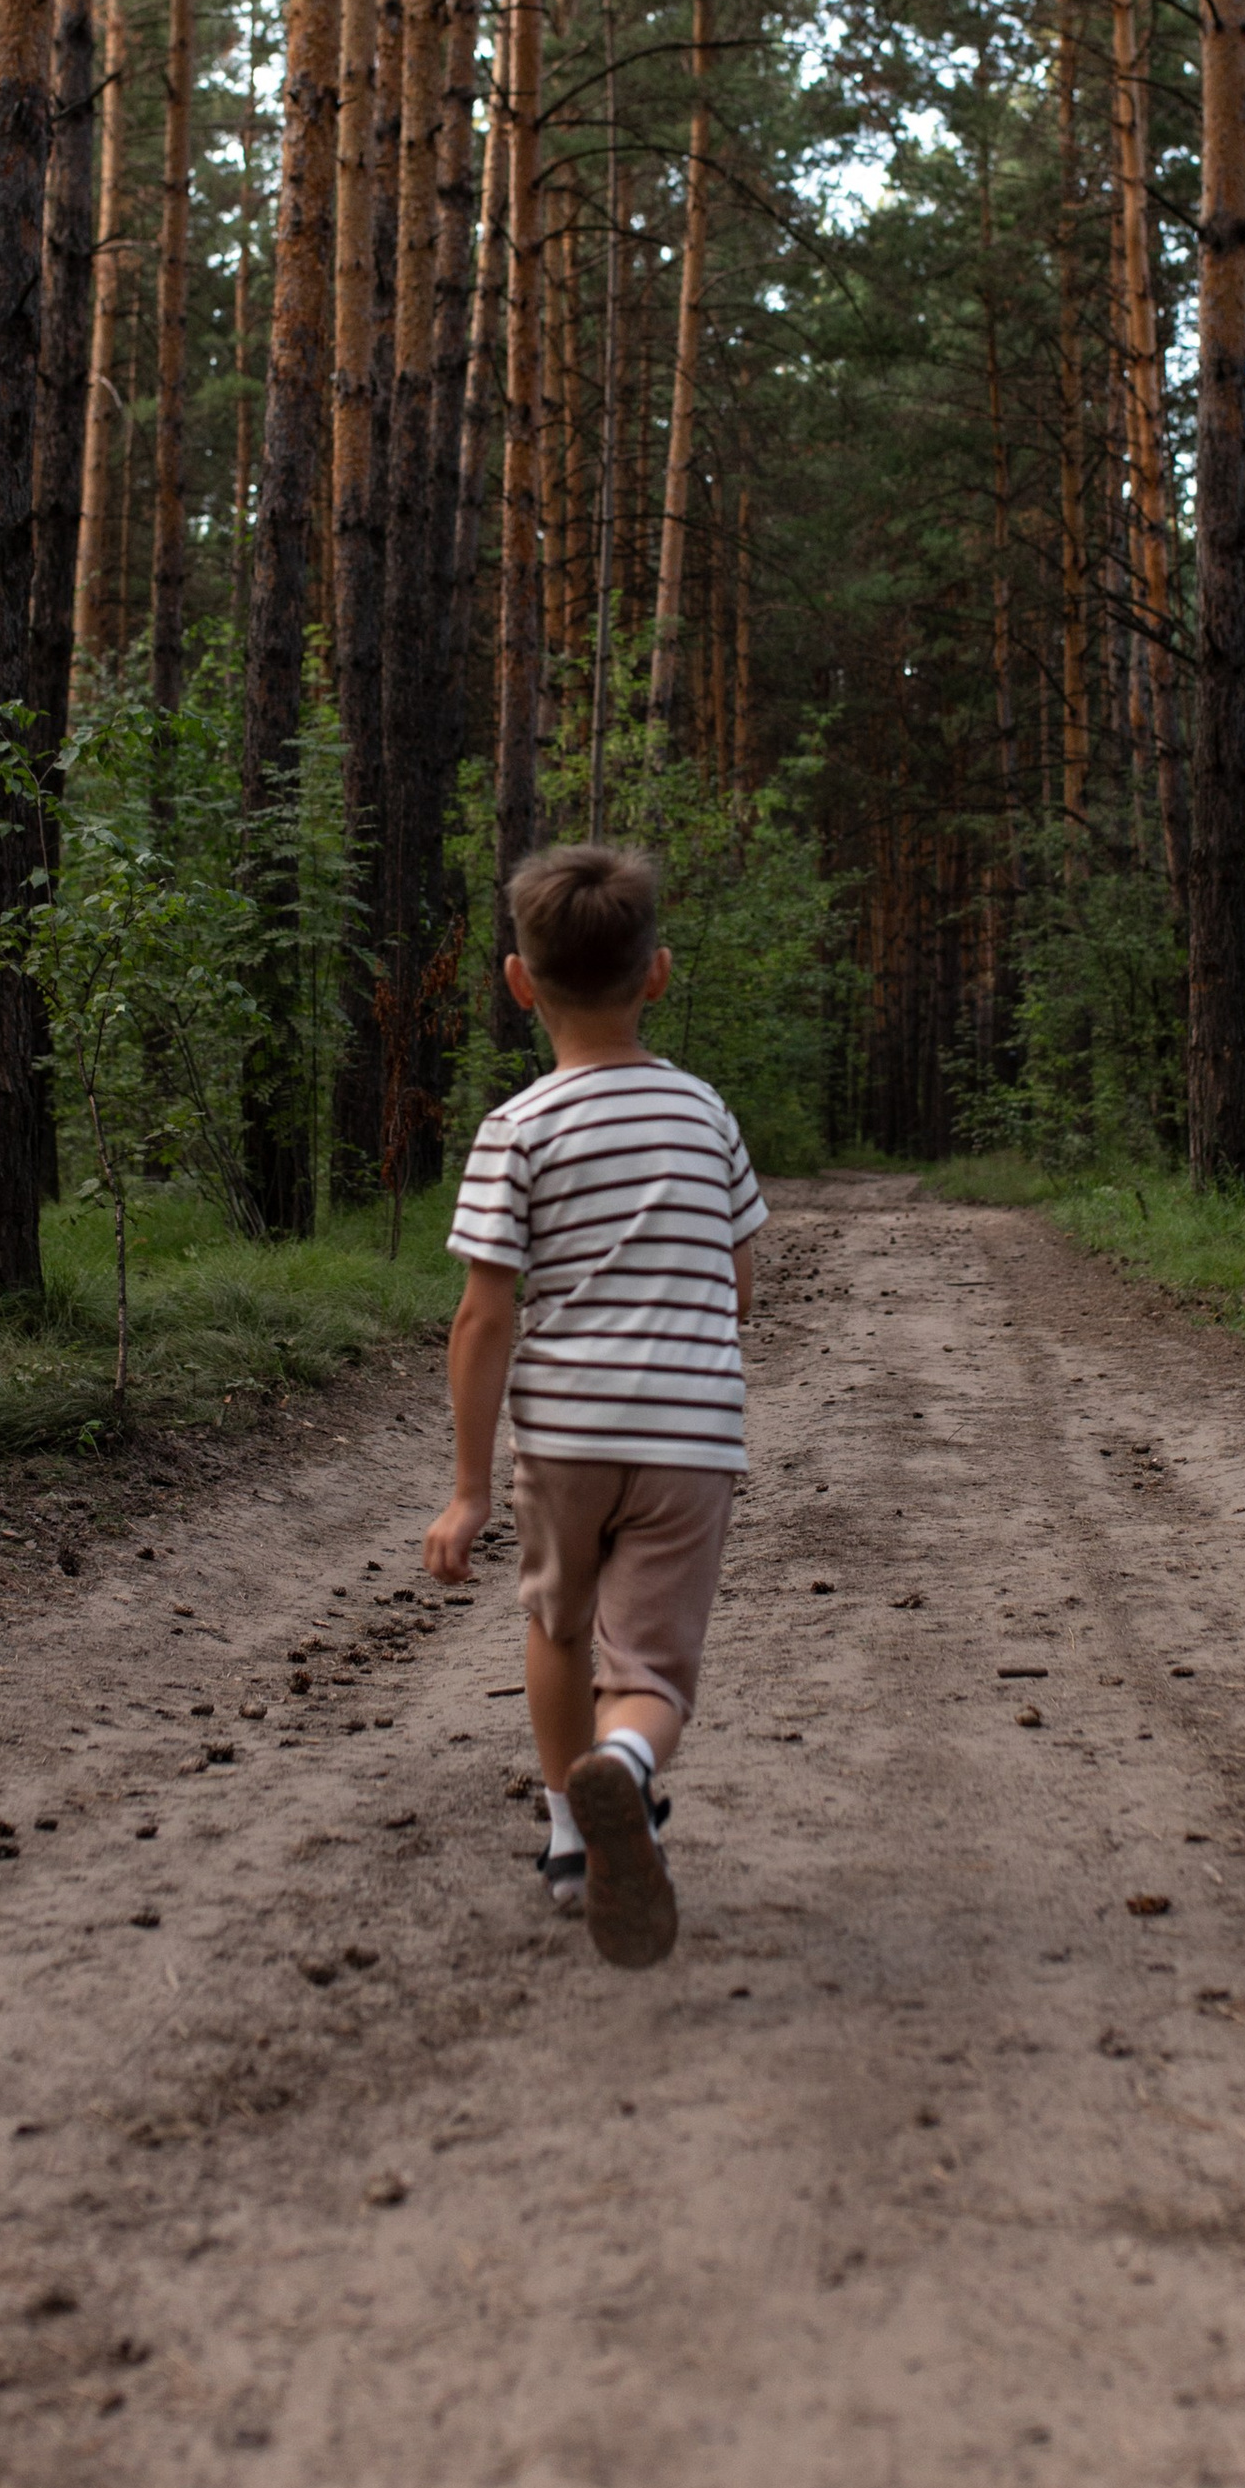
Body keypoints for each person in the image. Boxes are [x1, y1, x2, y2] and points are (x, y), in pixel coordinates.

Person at [421, 842, 766, 1969]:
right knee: (651, 1671)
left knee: (557, 1624)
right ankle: (624, 1771)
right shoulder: (704, 1113)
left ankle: (573, 1837)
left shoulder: (515, 1129)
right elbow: (741, 1285)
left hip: (564, 1436)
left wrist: (472, 1489)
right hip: (688, 1437)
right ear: (655, 975)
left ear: (519, 984)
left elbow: (484, 1318)